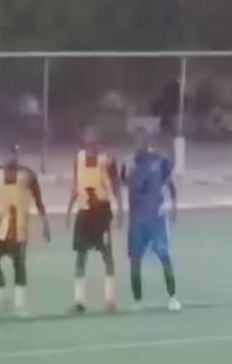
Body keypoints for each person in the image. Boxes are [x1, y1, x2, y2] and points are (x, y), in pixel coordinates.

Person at [0, 143, 50, 315]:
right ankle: (3, 300)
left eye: (13, 155)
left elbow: (39, 200)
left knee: (19, 265)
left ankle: (20, 305)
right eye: (7, 155)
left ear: (17, 156)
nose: (10, 158)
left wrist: (45, 225)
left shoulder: (28, 175)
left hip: (18, 227)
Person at [65, 130, 124, 313]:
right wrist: (68, 211)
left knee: (107, 256)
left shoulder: (107, 161)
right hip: (84, 214)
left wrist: (121, 209)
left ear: (100, 143)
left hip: (101, 214)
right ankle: (79, 302)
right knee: (81, 256)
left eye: (96, 142)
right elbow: (76, 186)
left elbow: (116, 186)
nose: (93, 145)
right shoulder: (78, 158)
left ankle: (110, 301)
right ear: (85, 143)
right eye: (90, 142)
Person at [123, 132, 181, 311]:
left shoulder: (160, 161)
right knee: (135, 259)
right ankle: (138, 300)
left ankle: (172, 297)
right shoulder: (130, 163)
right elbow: (124, 182)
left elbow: (170, 183)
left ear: (147, 142)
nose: (138, 144)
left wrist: (174, 206)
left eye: (141, 141)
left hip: (156, 218)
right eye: (136, 141)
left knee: (164, 255)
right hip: (137, 220)